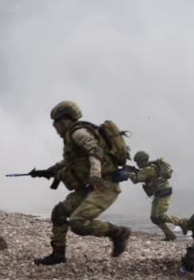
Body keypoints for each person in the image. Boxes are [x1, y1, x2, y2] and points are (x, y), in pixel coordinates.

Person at [31, 100, 132, 265]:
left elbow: (95, 150)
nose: (55, 127)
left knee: (79, 224)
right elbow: (71, 160)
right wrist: (50, 170)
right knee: (59, 213)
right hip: (90, 186)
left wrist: (95, 174)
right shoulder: (72, 136)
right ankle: (58, 255)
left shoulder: (78, 133)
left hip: (104, 185)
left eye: (55, 122)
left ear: (65, 120)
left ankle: (118, 233)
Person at [127, 150, 181, 240]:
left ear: (142, 161)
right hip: (159, 193)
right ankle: (169, 234)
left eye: (138, 162)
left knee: (160, 216)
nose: (137, 164)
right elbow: (143, 174)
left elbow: (136, 179)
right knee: (154, 218)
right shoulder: (150, 167)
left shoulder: (148, 169)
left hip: (164, 192)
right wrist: (134, 170)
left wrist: (128, 173)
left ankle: (182, 223)